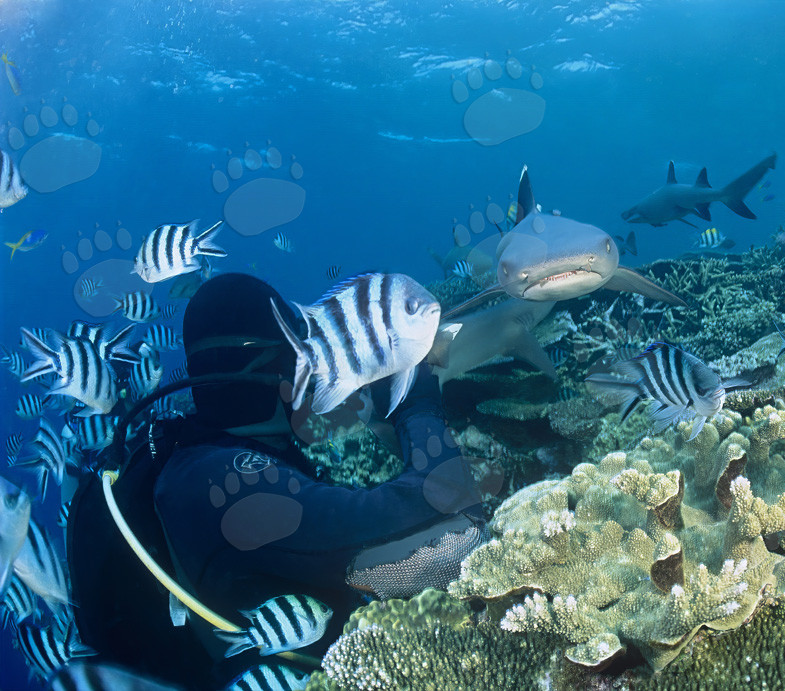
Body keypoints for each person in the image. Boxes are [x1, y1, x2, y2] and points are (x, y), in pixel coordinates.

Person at [67, 273, 486, 689]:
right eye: (298, 349)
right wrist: (415, 402)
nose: (316, 361)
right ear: (270, 366)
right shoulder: (223, 484)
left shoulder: (192, 461)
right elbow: (451, 540)